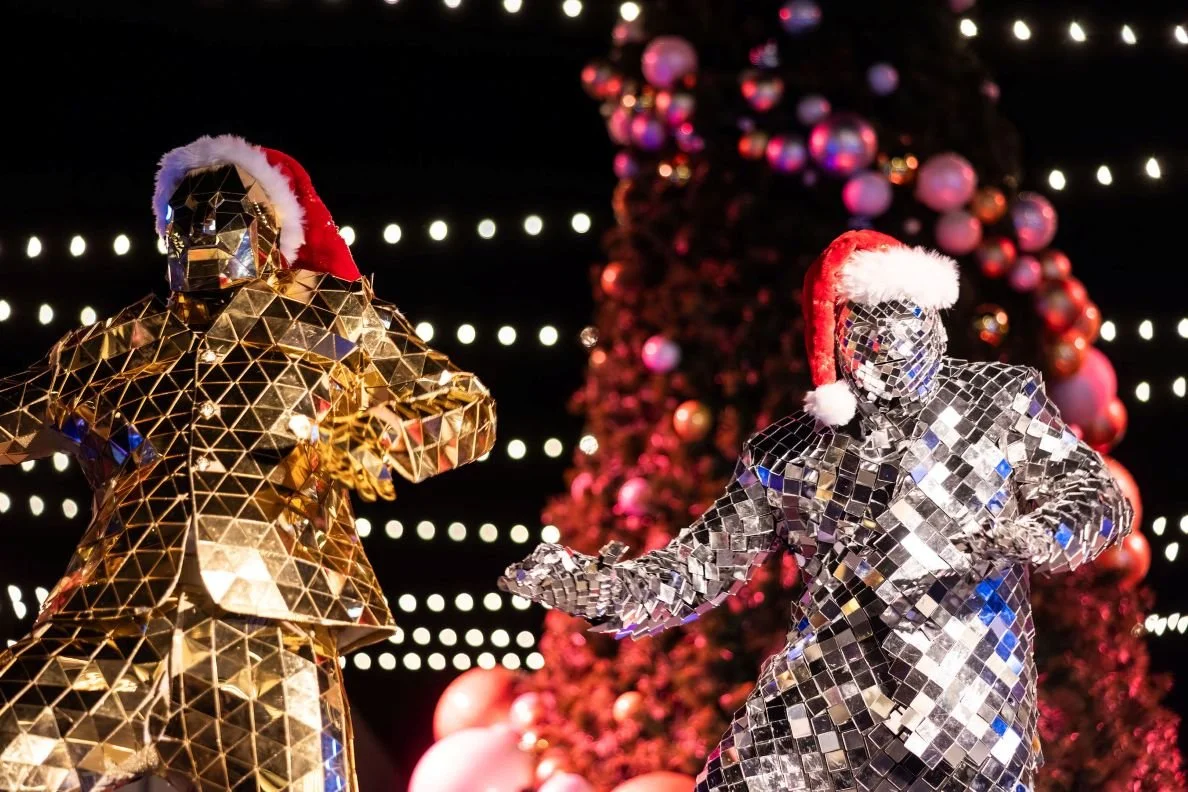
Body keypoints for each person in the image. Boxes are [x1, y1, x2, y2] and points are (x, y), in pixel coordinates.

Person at [501, 230, 1130, 792]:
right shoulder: (790, 452)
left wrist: (1043, 531)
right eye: (868, 327)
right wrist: (592, 588)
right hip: (829, 694)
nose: (892, 341)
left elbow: (1097, 494)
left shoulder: (997, 402)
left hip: (961, 704)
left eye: (907, 318)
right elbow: (697, 568)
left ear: (935, 319)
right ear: (839, 340)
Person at [0, 135, 496, 791]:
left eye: (227, 212)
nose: (204, 230)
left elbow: (465, 410)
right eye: (188, 216)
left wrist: (356, 445)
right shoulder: (114, 342)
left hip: (270, 627)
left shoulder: (335, 316)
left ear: (267, 226)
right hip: (115, 617)